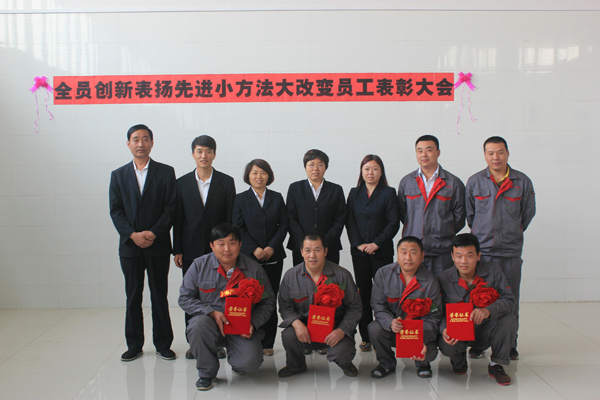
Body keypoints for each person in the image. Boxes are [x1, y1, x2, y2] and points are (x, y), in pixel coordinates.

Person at [179, 223, 276, 391]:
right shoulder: (198, 265)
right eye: (221, 243)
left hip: (241, 328)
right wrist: (211, 312)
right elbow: (184, 298)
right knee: (197, 326)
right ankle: (206, 373)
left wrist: (253, 323)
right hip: (210, 324)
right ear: (212, 245)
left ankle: (237, 359)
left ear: (240, 244)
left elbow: (268, 301)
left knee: (249, 364)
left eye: (232, 243)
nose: (227, 249)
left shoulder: (254, 269)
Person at [109, 124, 177, 362]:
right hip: (130, 247)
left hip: (158, 246)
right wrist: (132, 235)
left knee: (159, 296)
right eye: (136, 139)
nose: (140, 143)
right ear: (128, 144)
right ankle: (134, 345)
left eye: (145, 139)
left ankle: (163, 344)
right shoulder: (118, 175)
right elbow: (116, 210)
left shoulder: (166, 172)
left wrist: (154, 233)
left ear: (152, 143)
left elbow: (171, 208)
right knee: (133, 297)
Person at [465, 136, 535, 360]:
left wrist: (512, 232)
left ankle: (510, 344)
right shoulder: (475, 182)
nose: (495, 157)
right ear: (485, 155)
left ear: (507, 153)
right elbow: (470, 216)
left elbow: (527, 214)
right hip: (483, 253)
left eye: (500, 152)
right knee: (479, 298)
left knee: (510, 299)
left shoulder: (522, 181)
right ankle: (479, 343)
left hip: (510, 253)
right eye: (490, 153)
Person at [173, 135, 236, 359]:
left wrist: (230, 248)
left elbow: (230, 218)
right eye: (199, 151)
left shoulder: (226, 182)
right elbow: (178, 218)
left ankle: (218, 342)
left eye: (208, 151)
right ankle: (194, 342)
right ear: (193, 154)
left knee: (220, 295)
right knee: (192, 295)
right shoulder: (181, 183)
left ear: (214, 154)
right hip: (190, 248)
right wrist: (177, 249)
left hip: (220, 250)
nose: (204, 155)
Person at [277, 232, 362, 378]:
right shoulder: (291, 276)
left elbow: (355, 308)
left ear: (325, 251)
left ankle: (345, 363)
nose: (312, 255)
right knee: (289, 335)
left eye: (317, 250)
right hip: (305, 330)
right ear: (301, 252)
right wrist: (297, 324)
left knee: (342, 353)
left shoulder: (342, 275)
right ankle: (296, 365)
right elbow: (285, 306)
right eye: (307, 250)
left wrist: (341, 330)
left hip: (334, 330)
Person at [437, 233, 517, 385]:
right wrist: (444, 329)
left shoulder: (493, 272)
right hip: (457, 332)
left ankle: (496, 365)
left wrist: (488, 310)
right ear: (452, 256)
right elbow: (438, 312)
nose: (463, 261)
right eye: (459, 256)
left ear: (478, 256)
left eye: (469, 255)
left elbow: (509, 300)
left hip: (483, 329)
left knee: (508, 320)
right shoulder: (443, 279)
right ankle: (458, 360)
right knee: (447, 344)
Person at [232, 159, 288, 356]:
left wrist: (272, 247)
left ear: (268, 176)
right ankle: (246, 337)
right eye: (254, 172)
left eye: (263, 173)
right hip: (249, 258)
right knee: (247, 299)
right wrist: (254, 248)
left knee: (269, 298)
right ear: (248, 175)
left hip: (273, 257)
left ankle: (267, 343)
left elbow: (284, 224)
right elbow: (237, 227)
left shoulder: (277, 197)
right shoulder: (240, 199)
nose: (259, 176)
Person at [346, 155, 399, 352]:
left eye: (375, 169)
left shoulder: (388, 192)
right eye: (367, 169)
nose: (370, 172)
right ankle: (366, 337)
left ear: (381, 171)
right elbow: (349, 220)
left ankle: (383, 334)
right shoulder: (354, 193)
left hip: (381, 252)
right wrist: (359, 244)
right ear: (361, 172)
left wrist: (376, 243)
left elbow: (393, 222)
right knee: (363, 294)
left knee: (384, 294)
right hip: (360, 253)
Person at [368, 236, 442, 379]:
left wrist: (421, 338)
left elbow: (434, 316)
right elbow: (378, 305)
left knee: (429, 352)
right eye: (403, 252)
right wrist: (390, 322)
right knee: (374, 328)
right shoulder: (383, 274)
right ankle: (386, 364)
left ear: (422, 255)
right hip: (393, 329)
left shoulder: (431, 281)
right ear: (397, 254)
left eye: (413, 253)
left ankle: (422, 364)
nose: (408, 257)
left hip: (418, 331)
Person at [398, 135, 466, 277]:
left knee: (442, 287)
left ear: (438, 152)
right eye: (420, 150)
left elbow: (459, 217)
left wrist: (443, 230)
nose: (424, 154)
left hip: (442, 250)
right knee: (415, 289)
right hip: (414, 250)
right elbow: (403, 213)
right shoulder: (407, 182)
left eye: (429, 150)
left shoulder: (453, 183)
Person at [286, 149, 347, 266]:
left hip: (329, 247)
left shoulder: (336, 189)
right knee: (302, 276)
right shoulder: (295, 188)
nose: (315, 169)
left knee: (330, 276)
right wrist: (304, 243)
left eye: (320, 165)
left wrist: (325, 242)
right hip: (301, 248)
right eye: (311, 164)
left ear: (325, 167)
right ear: (305, 167)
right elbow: (290, 217)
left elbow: (340, 218)